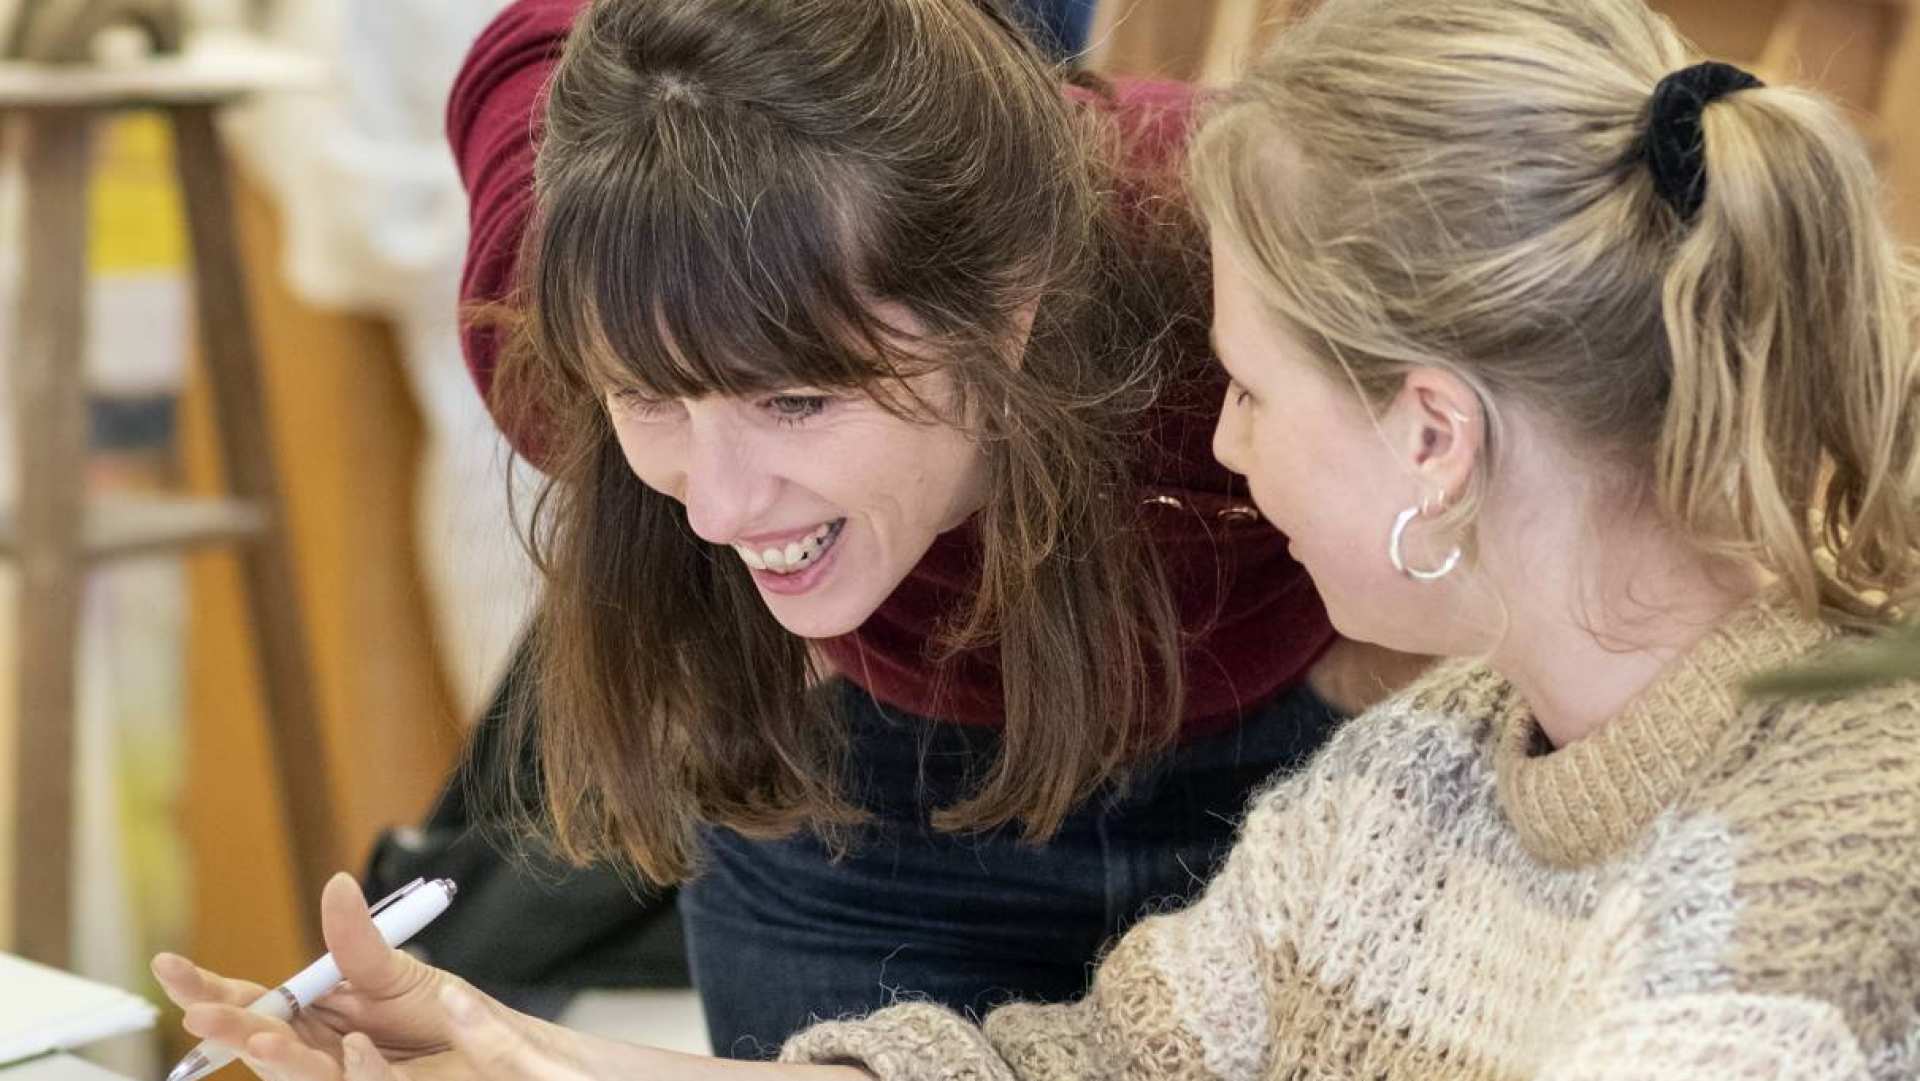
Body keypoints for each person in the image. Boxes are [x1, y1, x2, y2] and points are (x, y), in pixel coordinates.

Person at [156, 0, 1920, 1076]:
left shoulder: (1783, 879)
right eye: (650, 402)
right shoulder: (1427, 781)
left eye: (1240, 391)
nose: (709, 498)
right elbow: (1086, 1064)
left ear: (1432, 434)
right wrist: (518, 1049)